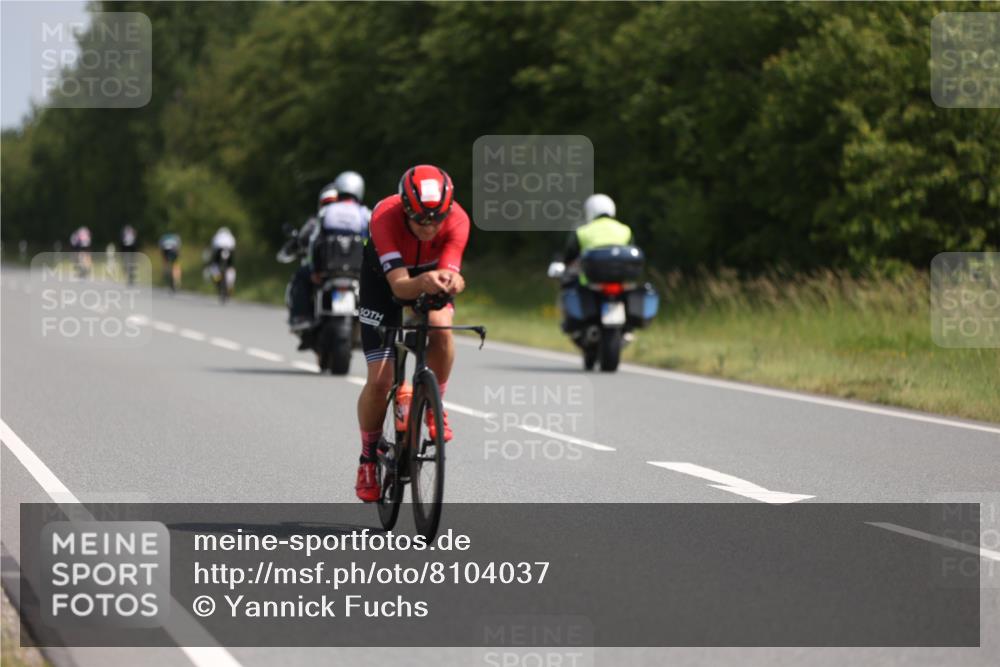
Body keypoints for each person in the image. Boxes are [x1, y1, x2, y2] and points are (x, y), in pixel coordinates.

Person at [354, 164, 469, 502]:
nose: (430, 227)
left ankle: (434, 404)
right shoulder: (384, 216)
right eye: (420, 220)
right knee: (380, 380)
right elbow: (401, 287)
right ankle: (367, 459)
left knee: (441, 328)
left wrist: (453, 281)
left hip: (427, 276)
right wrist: (427, 281)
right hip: (384, 282)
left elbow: (450, 272)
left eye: (437, 219)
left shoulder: (459, 220)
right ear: (405, 208)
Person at [288, 171, 371, 332]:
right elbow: (374, 241)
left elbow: (314, 241)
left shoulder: (326, 212)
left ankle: (301, 317)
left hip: (328, 271)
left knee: (300, 277)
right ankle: (380, 324)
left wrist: (314, 270)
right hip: (358, 273)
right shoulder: (364, 213)